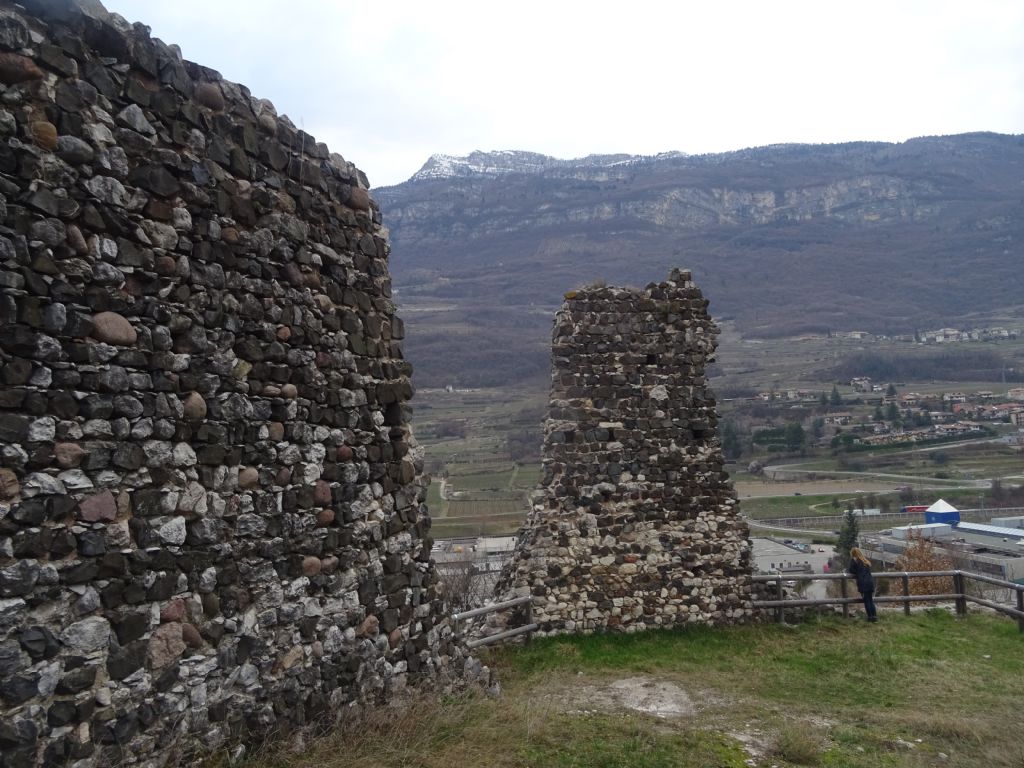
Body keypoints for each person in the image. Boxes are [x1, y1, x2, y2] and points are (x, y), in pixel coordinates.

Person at [847, 547, 877, 622]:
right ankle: (874, 617)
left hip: (863, 583)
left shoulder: (856, 561)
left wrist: (852, 560)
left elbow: (851, 570)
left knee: (866, 601)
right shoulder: (865, 561)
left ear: (853, 554)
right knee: (870, 601)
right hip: (870, 582)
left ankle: (870, 617)